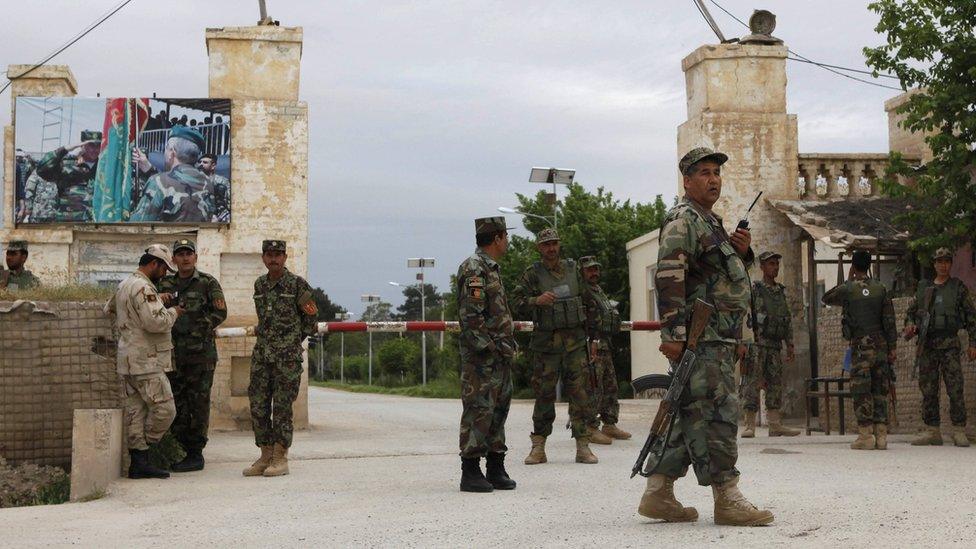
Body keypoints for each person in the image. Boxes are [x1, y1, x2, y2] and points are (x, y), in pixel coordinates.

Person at [639, 147, 772, 526]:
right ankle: (727, 496)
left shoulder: (709, 222)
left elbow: (719, 277)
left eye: (717, 172)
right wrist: (673, 335)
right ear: (687, 180)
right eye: (704, 173)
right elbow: (668, 277)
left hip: (719, 338)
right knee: (718, 415)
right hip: (702, 339)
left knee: (690, 413)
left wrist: (741, 254)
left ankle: (658, 492)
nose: (713, 179)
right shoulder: (684, 220)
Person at [511, 228, 604, 466]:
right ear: (539, 248)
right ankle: (538, 446)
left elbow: (590, 304)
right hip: (546, 347)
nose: (551, 248)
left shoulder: (574, 271)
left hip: (575, 345)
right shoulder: (532, 274)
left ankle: (583, 446)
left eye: (554, 244)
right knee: (544, 396)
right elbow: (515, 303)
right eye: (546, 245)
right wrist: (536, 300)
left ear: (559, 245)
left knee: (580, 394)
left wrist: (594, 340)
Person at [104, 244, 184, 479]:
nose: (166, 274)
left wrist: (155, 301)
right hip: (146, 362)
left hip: (128, 361)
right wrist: (174, 312)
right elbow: (156, 323)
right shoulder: (142, 287)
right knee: (166, 409)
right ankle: (145, 450)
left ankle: (138, 464)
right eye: (164, 269)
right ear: (153, 264)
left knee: (136, 412)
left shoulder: (125, 284)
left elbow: (109, 308)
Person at [243, 240, 319, 478]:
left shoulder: (296, 284)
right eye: (269, 254)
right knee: (258, 405)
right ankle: (265, 455)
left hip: (287, 358)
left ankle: (280, 457)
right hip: (262, 356)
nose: (273, 259)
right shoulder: (260, 285)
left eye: (278, 254)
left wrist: (291, 341)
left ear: (285, 257)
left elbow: (311, 321)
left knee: (283, 408)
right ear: (263, 258)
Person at [455, 216, 518, 493]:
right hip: (483, 358)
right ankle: (470, 471)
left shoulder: (492, 268)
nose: (508, 241)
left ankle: (495, 466)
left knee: (498, 410)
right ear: (497, 238)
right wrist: (490, 348)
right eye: (506, 236)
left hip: (500, 355)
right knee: (478, 410)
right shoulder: (474, 268)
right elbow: (471, 317)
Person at [157, 238, 228, 471]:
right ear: (174, 259)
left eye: (189, 253)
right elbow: (150, 307)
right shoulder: (164, 283)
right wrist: (161, 299)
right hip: (173, 356)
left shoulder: (207, 283)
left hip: (201, 356)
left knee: (198, 405)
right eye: (180, 254)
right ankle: (178, 449)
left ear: (195, 258)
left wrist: (198, 329)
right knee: (176, 403)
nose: (185, 258)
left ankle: (195, 454)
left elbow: (220, 312)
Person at [822, 250, 897, 450]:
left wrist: (848, 280)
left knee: (861, 390)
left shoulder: (848, 289)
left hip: (861, 347)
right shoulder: (881, 288)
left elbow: (826, 297)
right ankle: (881, 436)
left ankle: (866, 436)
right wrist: (893, 348)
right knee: (880, 389)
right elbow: (890, 321)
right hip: (881, 346)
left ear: (853, 266)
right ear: (870, 265)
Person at [904, 247, 976, 447]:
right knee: (928, 388)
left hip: (950, 345)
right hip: (928, 345)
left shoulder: (958, 288)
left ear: (950, 265)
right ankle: (932, 430)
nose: (943, 265)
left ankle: (959, 430)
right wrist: (909, 326)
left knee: (955, 387)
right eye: (939, 261)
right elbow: (911, 313)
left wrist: (973, 343)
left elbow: (971, 317)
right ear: (934, 264)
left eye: (947, 262)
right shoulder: (924, 288)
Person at [739, 251, 800, 438]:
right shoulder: (754, 289)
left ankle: (775, 424)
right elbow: (746, 315)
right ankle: (749, 425)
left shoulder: (780, 291)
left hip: (774, 345)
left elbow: (786, 319)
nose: (775, 267)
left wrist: (789, 344)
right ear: (762, 266)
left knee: (775, 384)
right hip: (757, 344)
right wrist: (743, 342)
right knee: (752, 384)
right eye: (771, 264)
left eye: (776, 264)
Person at [579, 255, 631, 441]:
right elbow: (585, 321)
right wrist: (591, 341)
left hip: (605, 344)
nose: (594, 273)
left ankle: (610, 423)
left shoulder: (597, 289)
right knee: (593, 386)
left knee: (610, 385)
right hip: (591, 344)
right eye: (589, 269)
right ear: (582, 272)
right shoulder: (582, 292)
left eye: (596, 269)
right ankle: (589, 427)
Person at [130, 126, 214, 223]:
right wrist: (148, 168)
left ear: (171, 152)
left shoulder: (159, 182)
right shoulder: (208, 183)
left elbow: (138, 226)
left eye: (166, 149)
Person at [33, 130, 101, 222]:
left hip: (95, 222)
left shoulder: (103, 167)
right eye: (91, 145)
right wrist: (65, 149)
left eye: (98, 145)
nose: (95, 149)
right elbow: (42, 170)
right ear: (82, 146)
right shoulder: (67, 164)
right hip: (69, 221)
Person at [198, 153, 230, 223]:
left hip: (219, 215)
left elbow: (228, 203)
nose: (201, 164)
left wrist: (218, 217)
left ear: (213, 166)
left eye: (205, 162)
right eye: (200, 162)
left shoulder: (222, 182)